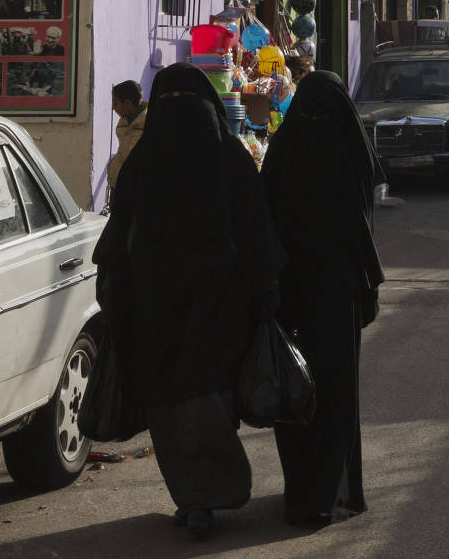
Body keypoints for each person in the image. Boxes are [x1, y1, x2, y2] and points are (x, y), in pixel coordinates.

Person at [94, 64, 282, 539]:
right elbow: (260, 235)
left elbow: (115, 244)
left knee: (172, 403)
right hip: (220, 309)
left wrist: (118, 300)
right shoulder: (230, 157)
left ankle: (195, 496)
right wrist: (265, 295)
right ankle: (205, 495)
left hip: (157, 311)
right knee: (209, 399)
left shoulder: (145, 162)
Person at [260, 71, 384, 528]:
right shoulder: (348, 150)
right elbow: (361, 228)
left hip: (292, 295)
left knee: (298, 394)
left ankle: (302, 493)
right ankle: (332, 493)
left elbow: (265, 220)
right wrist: (368, 286)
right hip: (339, 294)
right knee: (335, 394)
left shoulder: (286, 148)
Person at [105, 79, 146, 193]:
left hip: (136, 188)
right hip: (118, 184)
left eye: (115, 103)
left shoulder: (149, 123)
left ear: (127, 104)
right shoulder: (123, 121)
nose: (113, 108)